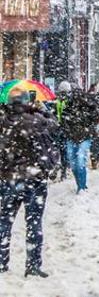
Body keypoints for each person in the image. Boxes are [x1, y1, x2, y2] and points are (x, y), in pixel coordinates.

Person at [0, 89, 60, 278]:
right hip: (33, 179)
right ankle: (32, 265)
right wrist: (42, 110)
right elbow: (54, 126)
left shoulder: (3, 122)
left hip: (8, 178)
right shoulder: (35, 120)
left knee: (3, 222)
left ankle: (1, 262)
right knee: (34, 222)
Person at [59, 88, 99, 193]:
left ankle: (81, 187)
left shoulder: (88, 107)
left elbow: (95, 118)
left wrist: (88, 130)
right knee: (73, 163)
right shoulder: (69, 107)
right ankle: (80, 184)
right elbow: (63, 120)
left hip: (84, 138)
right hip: (72, 138)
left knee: (80, 161)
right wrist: (67, 131)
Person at [53, 81, 73, 180]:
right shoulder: (70, 101)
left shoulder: (56, 101)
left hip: (58, 128)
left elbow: (53, 114)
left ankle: (60, 168)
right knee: (64, 150)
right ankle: (63, 170)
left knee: (58, 149)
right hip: (65, 129)